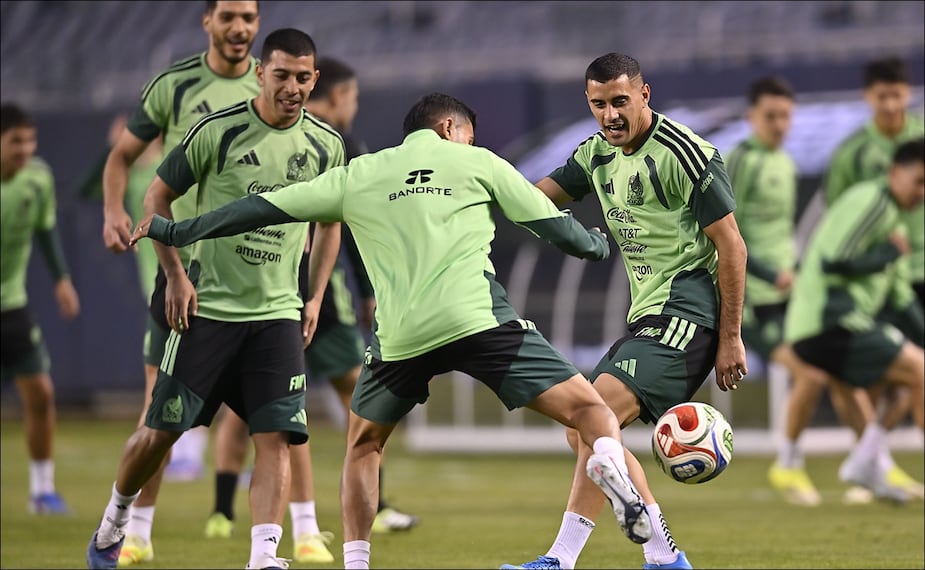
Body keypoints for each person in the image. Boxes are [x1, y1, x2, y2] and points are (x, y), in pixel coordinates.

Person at [131, 91, 657, 570]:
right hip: (477, 319)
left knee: (363, 445)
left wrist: (178, 229)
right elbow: (551, 225)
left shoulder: (359, 173)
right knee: (591, 412)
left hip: (401, 337)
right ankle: (609, 464)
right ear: (451, 128)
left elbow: (258, 208)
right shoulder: (476, 161)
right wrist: (594, 243)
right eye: (469, 134)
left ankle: (357, 564)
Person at [86, 28, 344, 570]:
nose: (293, 87)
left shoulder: (327, 146)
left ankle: (265, 557)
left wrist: (314, 295)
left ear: (314, 79)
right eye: (282, 75)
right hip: (207, 312)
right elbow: (157, 198)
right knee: (159, 434)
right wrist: (175, 274)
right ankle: (117, 515)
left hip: (276, 316)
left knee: (275, 436)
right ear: (260, 73)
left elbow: (329, 224)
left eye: (303, 77)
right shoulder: (216, 133)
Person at [502, 52, 748, 570]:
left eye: (620, 101)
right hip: (648, 314)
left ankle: (561, 561)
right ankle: (662, 555)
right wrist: (475, 190)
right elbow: (534, 200)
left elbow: (732, 246)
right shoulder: (595, 153)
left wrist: (730, 337)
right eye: (598, 104)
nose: (610, 115)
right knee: (583, 428)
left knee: (598, 415)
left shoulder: (686, 153)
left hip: (688, 310)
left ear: (644, 95)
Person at [202, 56, 419, 550]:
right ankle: (371, 507)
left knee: (249, 407)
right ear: (339, 96)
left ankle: (221, 511)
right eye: (354, 98)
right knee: (358, 399)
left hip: (260, 286)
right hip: (313, 293)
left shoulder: (267, 131)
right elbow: (352, 229)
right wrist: (367, 291)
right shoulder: (339, 146)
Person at [98, 1, 262, 565]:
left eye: (249, 16)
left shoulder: (273, 83)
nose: (240, 27)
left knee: (269, 416)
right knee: (159, 410)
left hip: (250, 274)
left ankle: (285, 537)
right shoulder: (174, 86)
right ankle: (137, 533)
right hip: (181, 269)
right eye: (229, 16)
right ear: (208, 23)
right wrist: (113, 210)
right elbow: (121, 156)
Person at [785, 138, 925, 501]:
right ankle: (847, 462)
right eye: (919, 180)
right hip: (829, 320)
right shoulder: (874, 201)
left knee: (898, 390)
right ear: (895, 173)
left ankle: (867, 464)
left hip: (833, 325)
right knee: (919, 371)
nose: (922, 192)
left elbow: (901, 296)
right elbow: (834, 261)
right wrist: (887, 253)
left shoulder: (895, 220)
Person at [820, 55, 925, 502]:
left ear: (907, 92)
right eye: (881, 95)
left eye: (896, 93)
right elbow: (837, 215)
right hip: (878, 279)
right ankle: (872, 463)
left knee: (909, 377)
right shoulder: (853, 153)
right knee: (876, 376)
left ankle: (869, 459)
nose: (889, 103)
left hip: (919, 270)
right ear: (868, 97)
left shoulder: (920, 138)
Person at [722, 76, 829, 507]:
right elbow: (725, 234)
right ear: (751, 117)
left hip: (790, 297)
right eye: (771, 116)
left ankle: (869, 459)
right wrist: (767, 273)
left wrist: (797, 271)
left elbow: (780, 235)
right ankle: (787, 463)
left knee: (835, 373)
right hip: (754, 306)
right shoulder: (739, 161)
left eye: (786, 115)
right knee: (811, 374)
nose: (780, 124)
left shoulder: (785, 163)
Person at [0, 103, 81, 515]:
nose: (25, 149)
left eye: (30, 140)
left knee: (41, 394)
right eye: (16, 141)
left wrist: (61, 279)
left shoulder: (38, 178)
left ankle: (42, 491)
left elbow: (46, 230)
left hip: (12, 306)